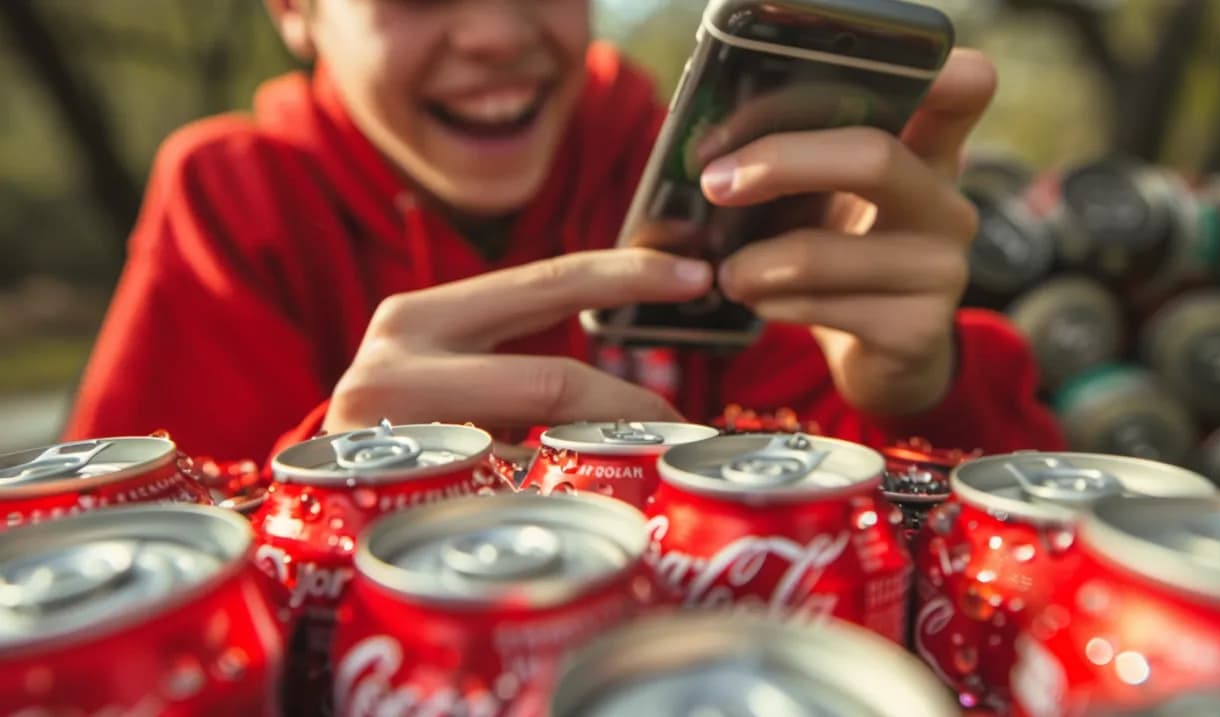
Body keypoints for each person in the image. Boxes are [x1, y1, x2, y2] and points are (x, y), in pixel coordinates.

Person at [64, 0, 1064, 466]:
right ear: (294, 10)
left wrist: (917, 392)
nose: (496, 32)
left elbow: (858, 541)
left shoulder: (710, 164)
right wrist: (333, 469)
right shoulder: (235, 199)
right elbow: (117, 569)